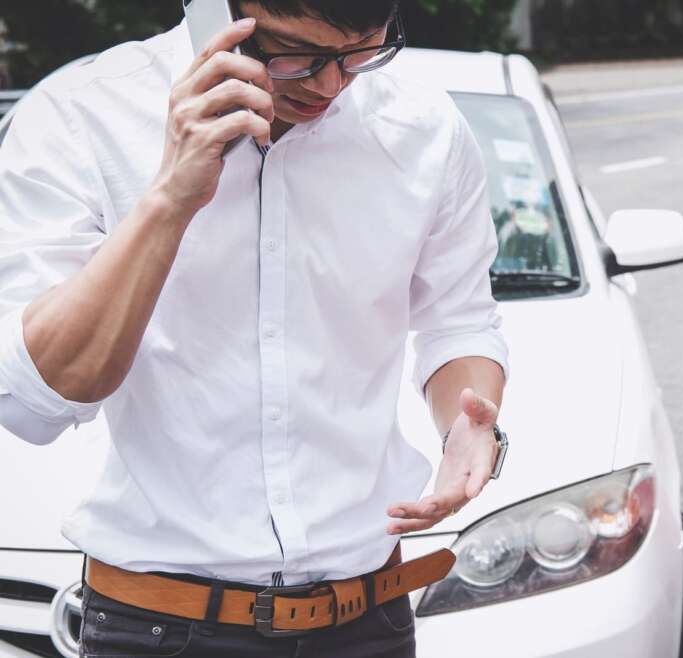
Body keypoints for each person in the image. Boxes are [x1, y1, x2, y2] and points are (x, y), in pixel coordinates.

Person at [0, 1, 509, 656]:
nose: (329, 85)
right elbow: (35, 401)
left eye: (361, 51)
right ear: (217, 12)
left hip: (369, 619)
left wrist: (471, 426)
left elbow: (459, 316)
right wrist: (169, 197)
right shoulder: (81, 116)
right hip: (157, 626)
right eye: (296, 53)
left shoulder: (426, 128)